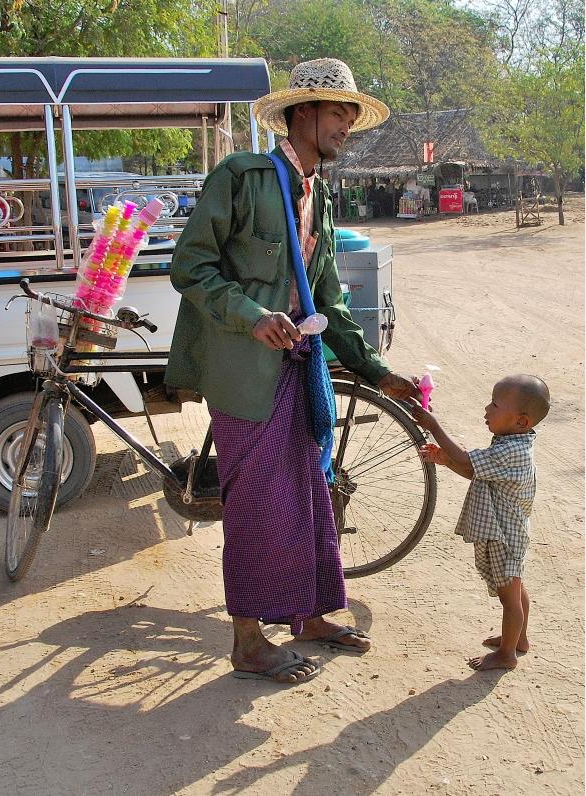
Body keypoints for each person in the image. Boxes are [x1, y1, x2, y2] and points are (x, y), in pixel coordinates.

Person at [166, 58, 422, 684]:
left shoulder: (319, 194)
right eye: (339, 113)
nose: (347, 127)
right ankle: (248, 641)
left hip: (297, 369)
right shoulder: (243, 177)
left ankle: (306, 616)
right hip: (243, 373)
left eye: (351, 117)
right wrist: (252, 314)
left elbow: (328, 299)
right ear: (302, 112)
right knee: (255, 506)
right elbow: (190, 266)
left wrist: (375, 369)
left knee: (311, 495)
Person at [412, 374, 550, 671]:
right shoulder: (514, 442)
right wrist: (446, 461)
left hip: (505, 537)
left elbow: (466, 458)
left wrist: (434, 426)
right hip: (510, 532)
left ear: (521, 421)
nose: (487, 409)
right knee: (514, 588)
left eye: (495, 405)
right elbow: (477, 471)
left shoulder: (512, 451)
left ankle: (507, 655)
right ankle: (519, 639)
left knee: (509, 597)